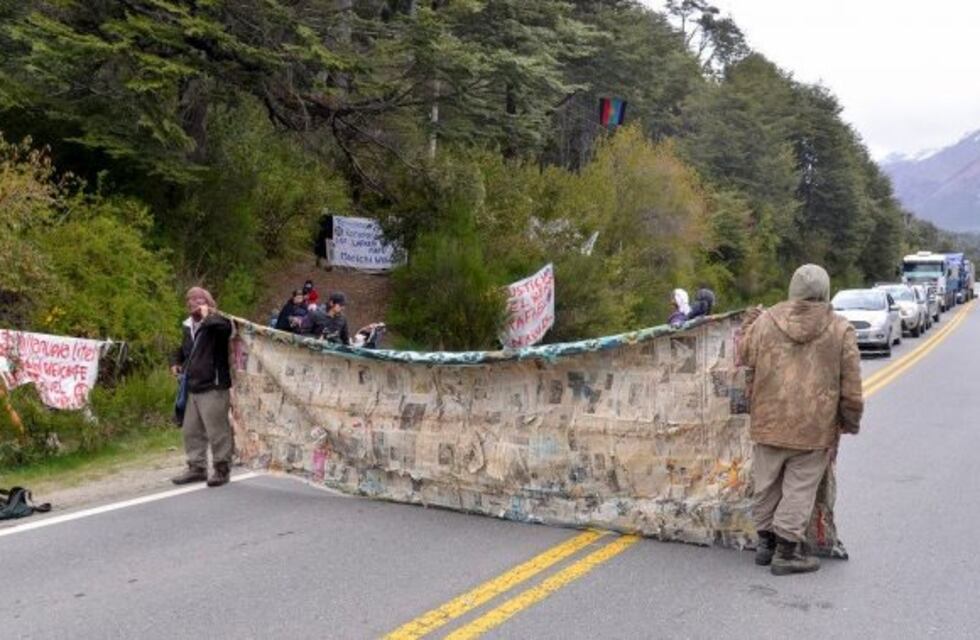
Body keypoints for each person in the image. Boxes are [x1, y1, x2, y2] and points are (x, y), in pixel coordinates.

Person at [738, 264, 863, 575]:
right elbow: (852, 389)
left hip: (767, 419)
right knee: (799, 489)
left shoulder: (766, 322)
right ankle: (786, 552)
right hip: (813, 426)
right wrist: (850, 421)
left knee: (765, 484)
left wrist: (749, 327)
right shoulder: (840, 329)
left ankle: (764, 545)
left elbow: (744, 355)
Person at [169, 287, 236, 488]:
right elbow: (183, 349)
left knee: (217, 430)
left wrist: (209, 316)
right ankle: (196, 467)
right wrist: (175, 361)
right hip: (192, 386)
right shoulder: (188, 325)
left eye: (199, 299)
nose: (194, 302)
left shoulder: (218, 321)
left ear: (208, 301)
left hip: (213, 385)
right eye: (190, 299)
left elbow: (226, 331)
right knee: (191, 430)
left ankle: (222, 468)